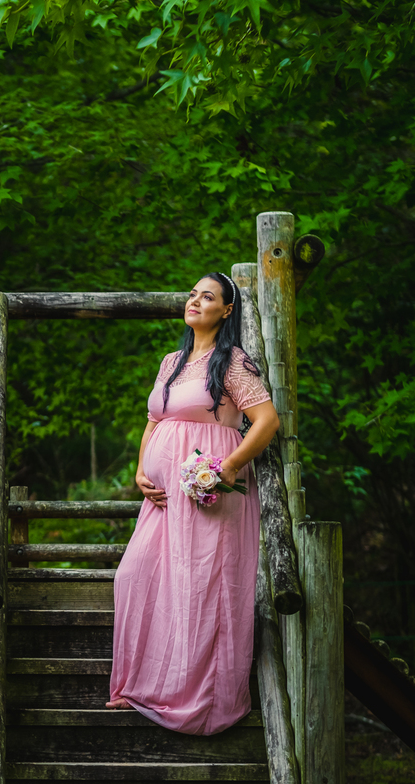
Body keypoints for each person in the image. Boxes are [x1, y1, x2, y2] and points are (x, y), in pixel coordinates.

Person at [105, 272, 281, 736]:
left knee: (201, 589)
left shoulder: (233, 363)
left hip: (207, 495)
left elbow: (266, 421)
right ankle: (144, 684)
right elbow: (153, 419)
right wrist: (142, 470)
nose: (195, 301)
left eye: (208, 297)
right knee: (135, 576)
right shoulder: (172, 361)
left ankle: (201, 701)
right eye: (192, 294)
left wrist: (227, 467)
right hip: (163, 499)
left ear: (226, 311)